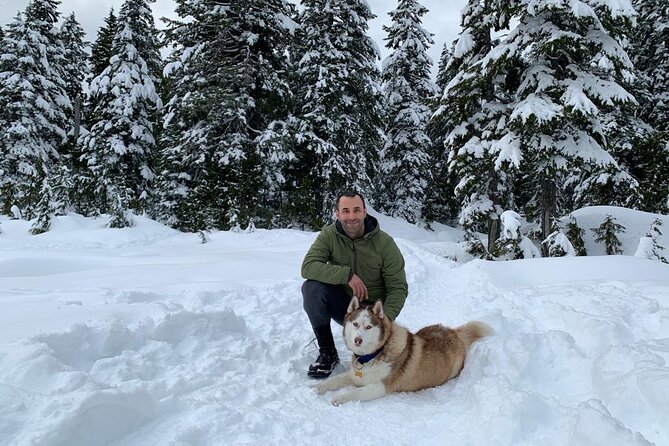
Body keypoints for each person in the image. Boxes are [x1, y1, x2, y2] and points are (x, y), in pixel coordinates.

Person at [301, 190, 409, 378]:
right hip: (347, 307)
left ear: (365, 212)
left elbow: (398, 287)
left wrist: (385, 320)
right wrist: (347, 275)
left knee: (391, 365)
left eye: (356, 210)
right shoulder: (329, 235)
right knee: (312, 288)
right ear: (337, 213)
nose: (351, 216)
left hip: (375, 314)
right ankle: (327, 353)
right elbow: (308, 267)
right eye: (346, 211)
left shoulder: (385, 243)